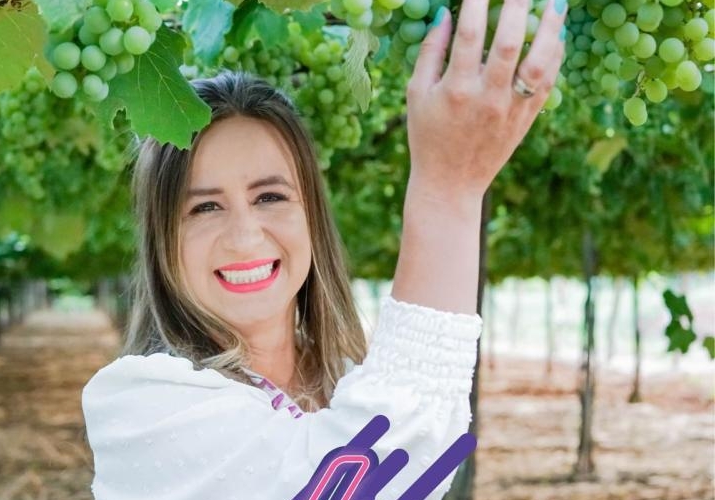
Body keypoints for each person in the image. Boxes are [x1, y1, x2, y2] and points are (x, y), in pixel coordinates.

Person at [81, 0, 567, 497]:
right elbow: (358, 478)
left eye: (270, 197)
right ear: (163, 237)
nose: (245, 236)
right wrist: (448, 190)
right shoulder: (142, 408)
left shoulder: (350, 378)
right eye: (204, 208)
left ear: (311, 213)